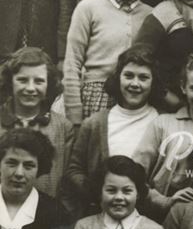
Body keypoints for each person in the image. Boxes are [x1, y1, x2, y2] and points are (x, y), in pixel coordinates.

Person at [62, 0, 153, 125]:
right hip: (95, 98)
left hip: (135, 100)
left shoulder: (150, 15)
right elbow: (72, 64)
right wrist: (74, 115)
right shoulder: (89, 8)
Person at [64, 45, 164, 213]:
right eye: (128, 75)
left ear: (153, 82)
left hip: (145, 218)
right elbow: (74, 169)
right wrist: (95, 190)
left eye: (143, 77)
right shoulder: (95, 123)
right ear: (118, 78)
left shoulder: (163, 123)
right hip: (98, 215)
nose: (135, 83)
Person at [131, 53, 193, 220]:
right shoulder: (163, 124)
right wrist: (164, 201)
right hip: (164, 217)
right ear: (184, 87)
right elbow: (134, 175)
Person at [0, 47, 73, 201]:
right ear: (10, 82)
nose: (30, 88)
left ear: (49, 85)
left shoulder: (63, 127)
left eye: (39, 81)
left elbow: (67, 182)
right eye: (22, 80)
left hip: (45, 217)